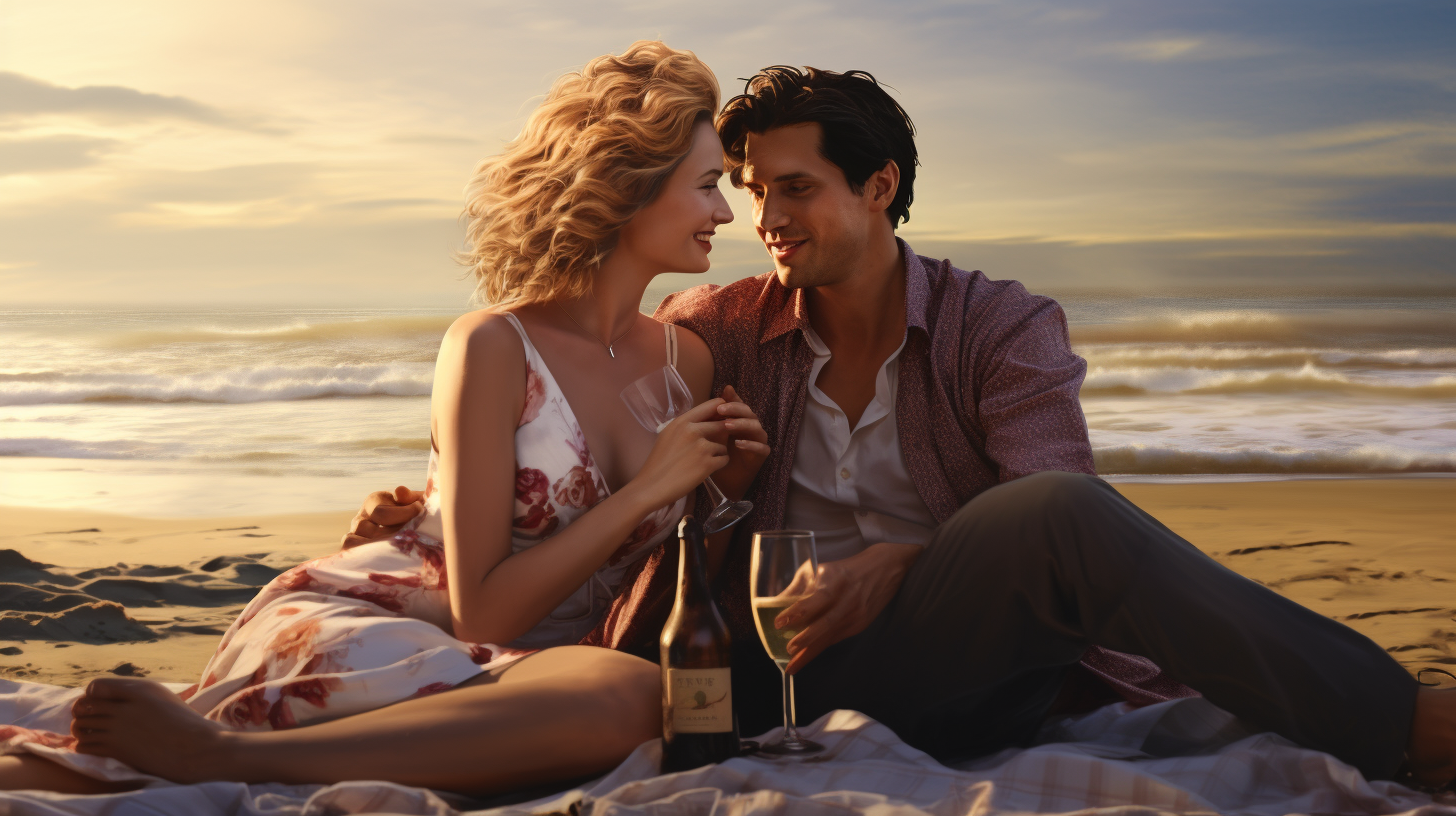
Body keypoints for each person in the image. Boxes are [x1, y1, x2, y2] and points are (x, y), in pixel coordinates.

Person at [350, 66, 1456, 788]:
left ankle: (1405, 729)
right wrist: (429, 501)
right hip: (768, 670)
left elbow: (1047, 505)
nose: (764, 220)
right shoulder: (714, 329)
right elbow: (577, 400)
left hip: (966, 655)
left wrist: (901, 565)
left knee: (1059, 512)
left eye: (794, 189)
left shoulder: (999, 326)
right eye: (743, 189)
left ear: (879, 186)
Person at [0, 41, 771, 797]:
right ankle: (219, 756)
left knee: (641, 698)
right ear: (632, 185)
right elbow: (486, 608)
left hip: (542, 670)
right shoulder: (493, 345)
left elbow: (675, 580)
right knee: (628, 701)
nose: (725, 210)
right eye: (706, 185)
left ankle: (214, 751)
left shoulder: (684, 362)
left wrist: (725, 486)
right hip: (392, 623)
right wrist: (645, 493)